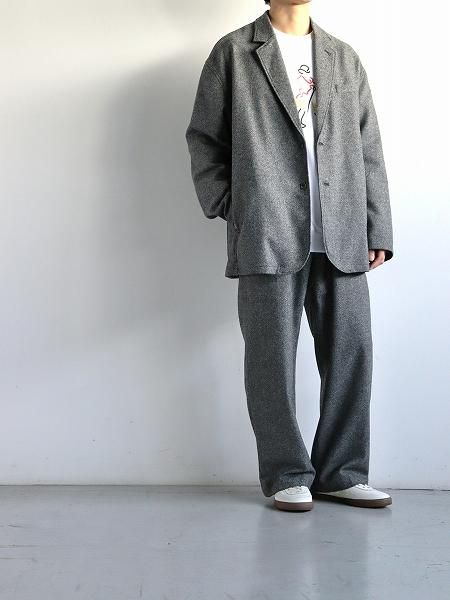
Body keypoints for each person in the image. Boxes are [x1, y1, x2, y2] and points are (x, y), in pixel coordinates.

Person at [185, 0, 394, 511]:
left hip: (343, 230)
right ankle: (285, 473)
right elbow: (204, 139)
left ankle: (342, 472)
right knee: (270, 359)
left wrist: (378, 225)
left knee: (352, 354)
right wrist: (234, 204)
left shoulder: (343, 56)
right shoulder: (234, 52)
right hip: (268, 229)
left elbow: (368, 145)